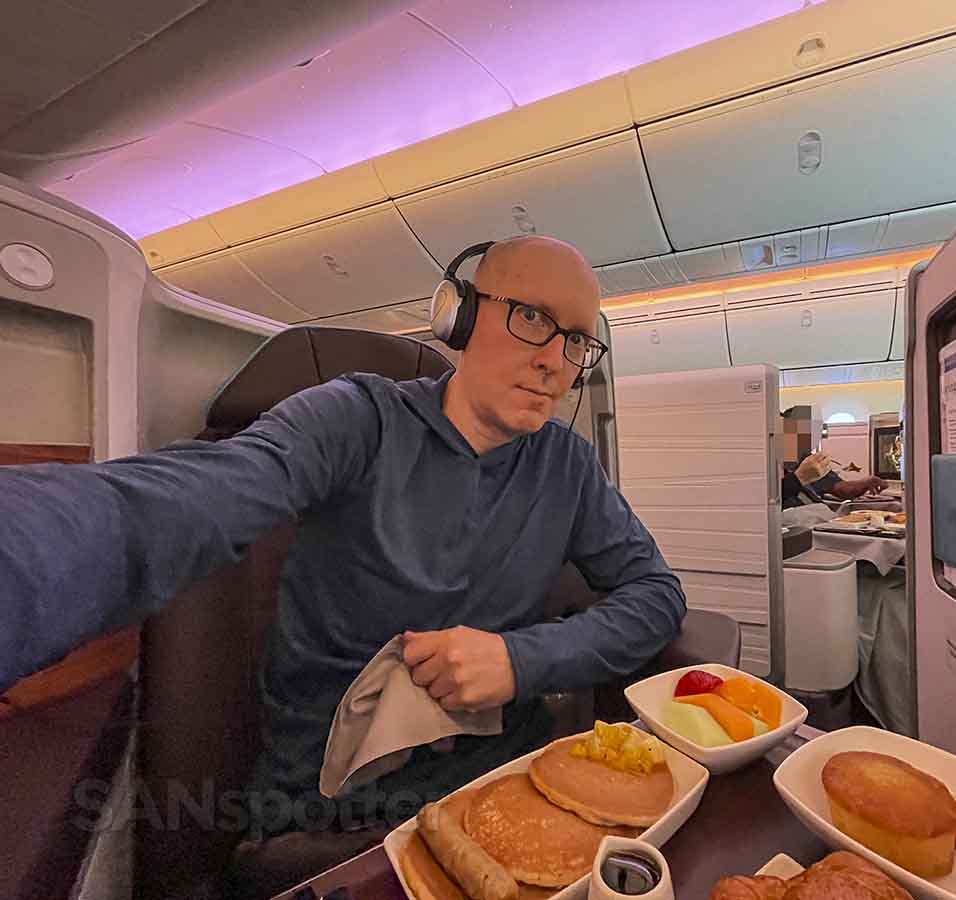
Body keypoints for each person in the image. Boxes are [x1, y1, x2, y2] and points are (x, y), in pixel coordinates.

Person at [0, 235, 685, 842]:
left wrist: (520, 660)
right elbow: (186, 499)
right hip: (343, 803)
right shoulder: (359, 419)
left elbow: (656, 595)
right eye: (533, 318)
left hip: (505, 778)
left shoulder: (566, 464)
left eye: (577, 341)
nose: (556, 362)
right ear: (461, 316)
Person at [781, 451, 886, 508]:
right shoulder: (771, 466)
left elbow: (841, 488)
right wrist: (798, 478)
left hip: (820, 521)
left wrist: (864, 483)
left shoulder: (804, 459)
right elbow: (773, 499)